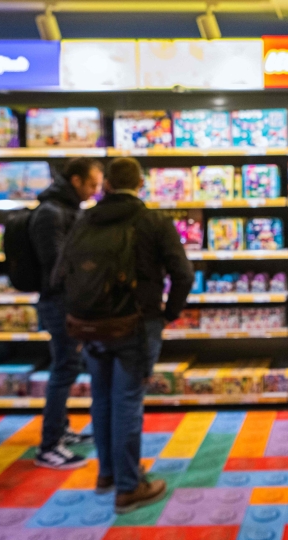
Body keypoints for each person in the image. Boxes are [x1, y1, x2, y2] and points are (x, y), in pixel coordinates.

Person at [54, 157, 193, 513]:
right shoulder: (152, 220)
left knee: (101, 399)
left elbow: (60, 272)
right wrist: (168, 314)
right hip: (136, 323)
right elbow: (183, 273)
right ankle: (130, 488)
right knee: (128, 402)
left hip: (90, 324)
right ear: (141, 183)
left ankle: (108, 474)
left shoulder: (85, 219)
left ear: (107, 186)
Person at [30, 157, 103, 469]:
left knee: (68, 366)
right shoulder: (50, 213)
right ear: (75, 181)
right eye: (91, 184)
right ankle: (49, 446)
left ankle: (62, 430)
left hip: (69, 301)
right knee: (64, 369)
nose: (95, 191)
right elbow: (57, 266)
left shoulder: (67, 210)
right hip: (60, 303)